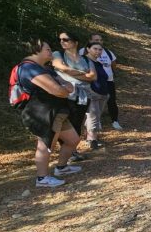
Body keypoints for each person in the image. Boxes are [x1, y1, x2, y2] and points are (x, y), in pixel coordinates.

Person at [14, 39, 83, 187]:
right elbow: (58, 90)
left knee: (73, 140)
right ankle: (42, 178)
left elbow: (68, 86)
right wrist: (64, 89)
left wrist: (64, 88)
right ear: (36, 50)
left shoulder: (44, 68)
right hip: (42, 113)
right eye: (48, 49)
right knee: (46, 144)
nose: (51, 52)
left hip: (57, 112)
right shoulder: (29, 68)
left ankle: (61, 168)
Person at [52, 31, 95, 160]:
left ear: (75, 42)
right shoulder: (58, 54)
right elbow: (61, 67)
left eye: (66, 39)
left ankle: (72, 152)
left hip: (83, 96)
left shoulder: (86, 59)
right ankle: (66, 153)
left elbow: (93, 77)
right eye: (60, 39)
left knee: (77, 122)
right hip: (65, 94)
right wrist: (84, 74)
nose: (62, 42)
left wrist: (68, 71)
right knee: (65, 123)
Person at [80, 33, 122, 130]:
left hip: (108, 80)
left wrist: (110, 73)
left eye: (100, 40)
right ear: (90, 41)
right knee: (92, 102)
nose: (99, 42)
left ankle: (114, 121)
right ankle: (91, 124)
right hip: (92, 81)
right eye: (96, 40)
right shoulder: (83, 51)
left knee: (111, 101)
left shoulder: (108, 52)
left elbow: (113, 64)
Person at [83, 42, 110, 149]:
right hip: (92, 93)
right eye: (95, 49)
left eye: (100, 49)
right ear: (88, 49)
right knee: (93, 116)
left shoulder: (98, 62)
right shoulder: (84, 61)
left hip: (102, 93)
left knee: (96, 116)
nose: (98, 51)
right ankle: (92, 140)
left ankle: (89, 137)